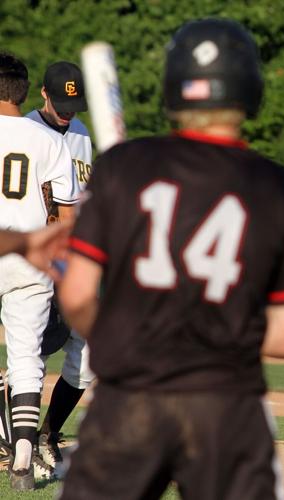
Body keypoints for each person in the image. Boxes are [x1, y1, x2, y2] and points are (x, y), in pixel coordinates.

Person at [57, 18, 284, 500]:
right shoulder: (280, 189)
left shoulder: (123, 166)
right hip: (227, 405)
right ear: (249, 87)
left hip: (130, 397)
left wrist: (125, 335)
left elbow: (76, 294)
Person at [0, 51, 79, 490]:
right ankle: (24, 457)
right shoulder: (50, 140)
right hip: (31, 256)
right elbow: (66, 220)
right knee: (27, 355)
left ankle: (4, 435)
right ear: (26, 93)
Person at [26, 61, 94, 470]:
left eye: (76, 102)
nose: (69, 110)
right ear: (43, 95)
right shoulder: (27, 132)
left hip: (77, 258)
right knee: (34, 350)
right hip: (36, 256)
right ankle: (17, 442)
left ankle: (49, 435)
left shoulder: (82, 133)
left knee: (86, 355)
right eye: (62, 101)